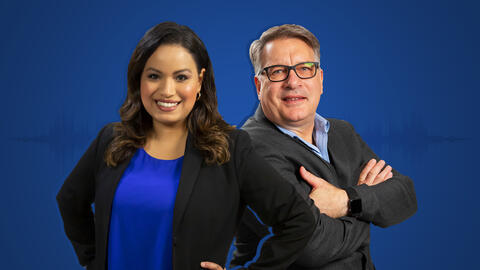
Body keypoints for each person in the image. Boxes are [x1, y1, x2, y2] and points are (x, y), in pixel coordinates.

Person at [56, 22, 315, 270]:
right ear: (139, 80)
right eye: (154, 76)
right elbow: (70, 200)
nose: (167, 90)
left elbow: (299, 220)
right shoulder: (110, 140)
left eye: (181, 77)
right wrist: (94, 259)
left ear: (200, 81)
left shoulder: (231, 150)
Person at [231, 24, 418, 269]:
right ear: (259, 86)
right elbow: (307, 247)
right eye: (277, 71)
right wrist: (365, 212)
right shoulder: (249, 148)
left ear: (320, 80)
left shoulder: (342, 133)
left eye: (305, 69)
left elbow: (405, 196)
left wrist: (346, 201)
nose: (293, 81)